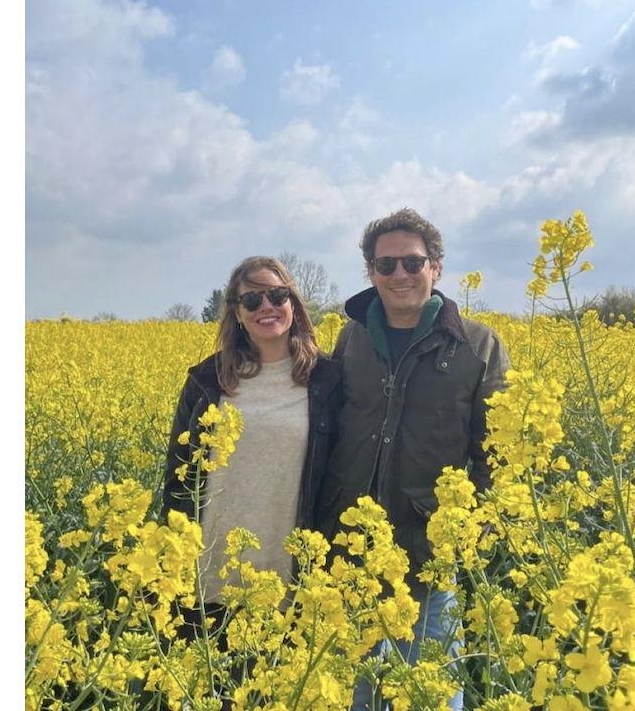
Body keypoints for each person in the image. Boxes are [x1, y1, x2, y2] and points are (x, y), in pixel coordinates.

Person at [315, 208, 510, 711]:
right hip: (349, 551)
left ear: (436, 268)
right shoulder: (351, 336)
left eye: (412, 262)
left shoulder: (477, 343)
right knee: (350, 695)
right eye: (386, 265)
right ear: (370, 272)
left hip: (425, 553)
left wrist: (466, 536)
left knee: (429, 694)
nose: (399, 275)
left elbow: (499, 454)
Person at [162, 256, 341, 640]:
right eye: (252, 301)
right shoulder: (207, 380)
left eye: (277, 295)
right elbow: (176, 480)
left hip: (291, 581)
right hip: (208, 576)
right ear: (237, 313)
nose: (267, 308)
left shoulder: (329, 380)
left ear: (293, 302)